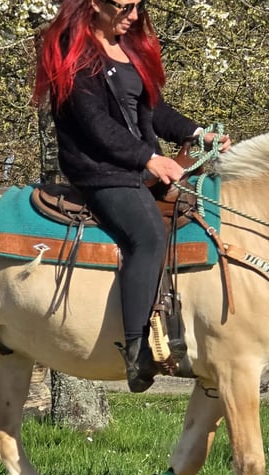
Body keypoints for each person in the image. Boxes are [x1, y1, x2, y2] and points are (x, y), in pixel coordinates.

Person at [32, 0, 230, 392]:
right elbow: (95, 126)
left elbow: (154, 111)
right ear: (95, 3)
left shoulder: (127, 50)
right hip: (100, 172)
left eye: (138, 6)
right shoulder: (74, 55)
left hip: (135, 168)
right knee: (149, 236)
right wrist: (150, 159)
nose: (134, 16)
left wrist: (197, 133)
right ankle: (138, 352)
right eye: (125, 7)